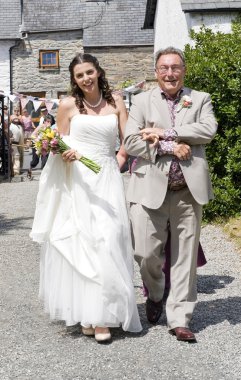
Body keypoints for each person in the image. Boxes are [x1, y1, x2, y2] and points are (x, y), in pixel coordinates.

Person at [30, 53, 142, 343]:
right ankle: (93, 315)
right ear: (74, 79)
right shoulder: (68, 105)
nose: (86, 79)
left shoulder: (116, 101)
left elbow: (127, 139)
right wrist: (63, 152)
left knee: (109, 237)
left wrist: (117, 161)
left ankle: (105, 312)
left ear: (98, 71)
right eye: (80, 75)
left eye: (89, 72)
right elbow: (61, 143)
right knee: (84, 242)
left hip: (106, 177)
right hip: (77, 179)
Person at [124, 46, 218, 342]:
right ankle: (155, 292)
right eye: (164, 68)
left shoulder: (200, 98)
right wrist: (168, 146)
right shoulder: (140, 101)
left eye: (175, 68)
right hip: (148, 187)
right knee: (145, 252)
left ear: (184, 70)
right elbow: (130, 140)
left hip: (187, 191)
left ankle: (180, 317)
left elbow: (208, 130)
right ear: (156, 72)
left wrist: (165, 132)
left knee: (185, 257)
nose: (170, 73)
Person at [29, 106, 55, 172]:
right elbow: (32, 135)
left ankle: (44, 172)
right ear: (44, 121)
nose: (48, 123)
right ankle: (30, 168)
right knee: (35, 160)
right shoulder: (41, 126)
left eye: (50, 122)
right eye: (47, 122)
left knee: (45, 159)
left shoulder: (51, 128)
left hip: (46, 145)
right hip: (37, 144)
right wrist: (37, 139)